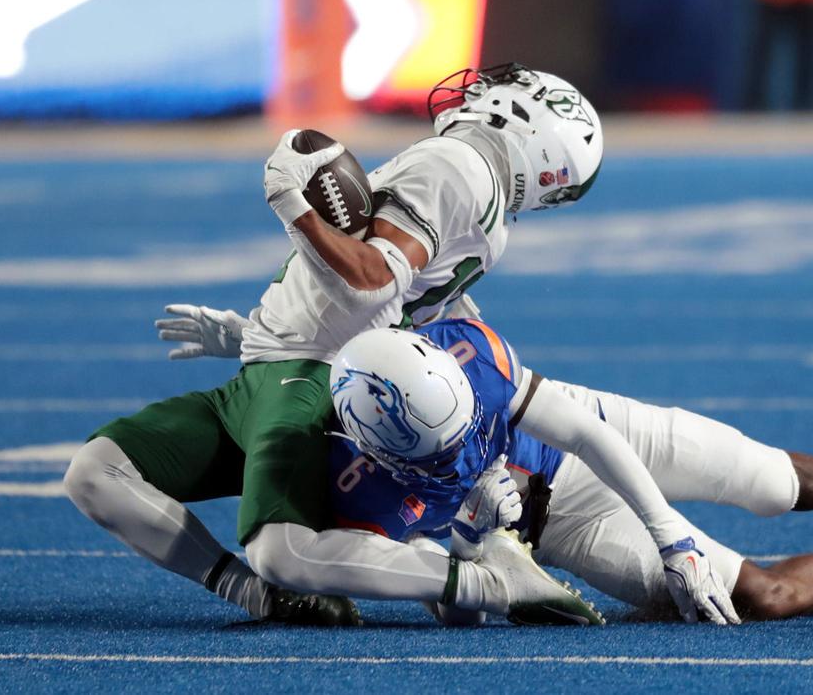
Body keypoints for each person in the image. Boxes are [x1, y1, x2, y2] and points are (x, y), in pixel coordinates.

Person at [63, 63, 605, 625]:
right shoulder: (480, 203)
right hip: (271, 373)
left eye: (507, 88)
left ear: (527, 120)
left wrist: (289, 201)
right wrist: (248, 333)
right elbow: (398, 307)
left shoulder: (455, 166)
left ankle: (482, 583)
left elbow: (374, 283)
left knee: (282, 550)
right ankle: (268, 595)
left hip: (308, 378)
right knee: (97, 471)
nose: (480, 87)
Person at [318, 320, 813, 623]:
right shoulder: (352, 483)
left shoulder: (462, 354)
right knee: (763, 600)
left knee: (775, 483)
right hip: (564, 528)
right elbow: (460, 612)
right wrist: (478, 540)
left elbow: (587, 434)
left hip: (598, 442)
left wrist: (674, 541)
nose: (464, 448)